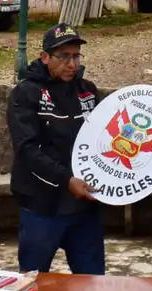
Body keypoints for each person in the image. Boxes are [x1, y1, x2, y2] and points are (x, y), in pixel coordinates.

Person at [6, 23, 103, 275]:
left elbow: (105, 139)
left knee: (93, 283)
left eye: (76, 56)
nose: (71, 64)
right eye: (63, 57)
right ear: (45, 57)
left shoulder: (88, 91)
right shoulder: (25, 93)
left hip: (84, 209)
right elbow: (26, 149)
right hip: (41, 208)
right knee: (32, 285)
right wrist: (66, 179)